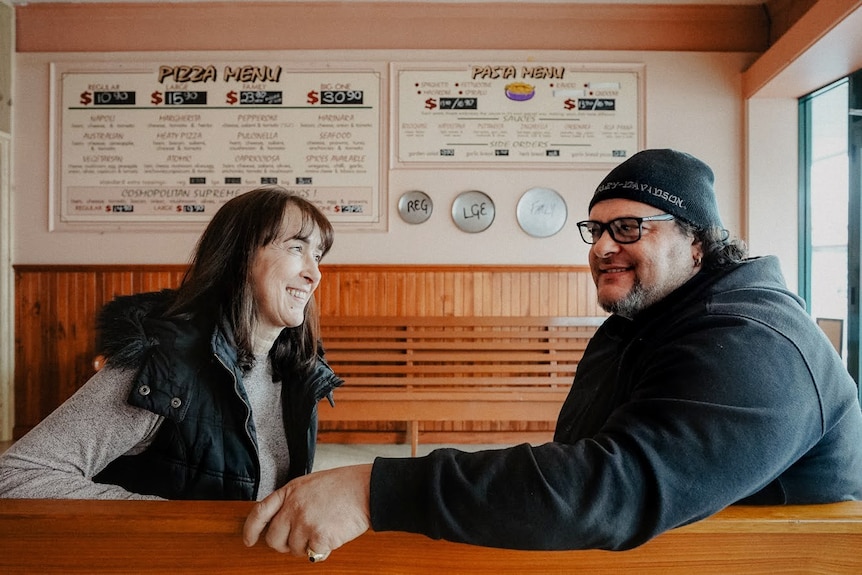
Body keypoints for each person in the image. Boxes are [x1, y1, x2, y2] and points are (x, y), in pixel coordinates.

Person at [242, 149, 862, 561]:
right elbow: (578, 468)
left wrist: (375, 490)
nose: (601, 248)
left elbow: (607, 489)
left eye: (627, 227)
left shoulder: (757, 344)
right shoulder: (640, 323)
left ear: (697, 242)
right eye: (595, 229)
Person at [0, 186, 342, 500]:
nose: (315, 274)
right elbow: (18, 475)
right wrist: (168, 522)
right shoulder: (161, 364)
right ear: (239, 257)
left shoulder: (297, 372)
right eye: (296, 248)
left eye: (318, 256)